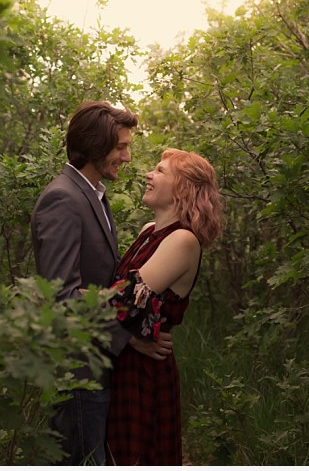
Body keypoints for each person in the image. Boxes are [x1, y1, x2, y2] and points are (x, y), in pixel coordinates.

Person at [31, 101, 172, 465]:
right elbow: (62, 297)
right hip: (78, 370)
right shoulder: (63, 198)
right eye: (121, 146)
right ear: (95, 146)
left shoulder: (93, 195)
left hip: (97, 368)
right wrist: (129, 339)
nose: (127, 156)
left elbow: (98, 286)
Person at [106, 148, 223, 465]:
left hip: (144, 371)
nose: (148, 174)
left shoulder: (183, 240)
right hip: (126, 356)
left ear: (183, 188)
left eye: (159, 171)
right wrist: (129, 337)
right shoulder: (148, 231)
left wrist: (76, 293)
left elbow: (125, 300)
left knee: (135, 456)